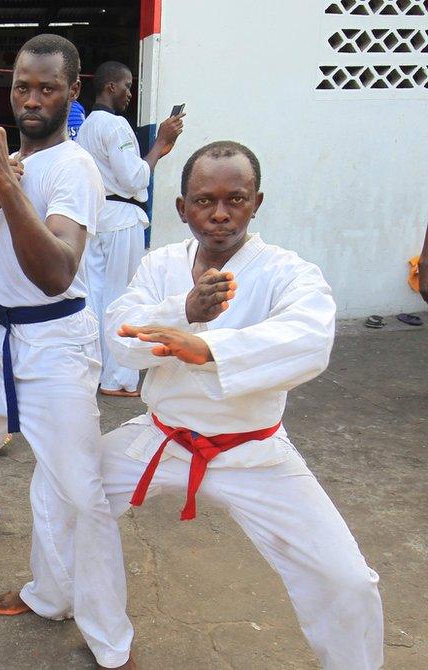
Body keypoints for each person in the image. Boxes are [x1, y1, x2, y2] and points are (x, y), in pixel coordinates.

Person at [96, 141, 382, 669]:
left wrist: (207, 348)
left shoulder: (288, 273)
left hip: (255, 452)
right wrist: (183, 310)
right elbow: (120, 336)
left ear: (257, 202)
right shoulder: (160, 266)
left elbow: (310, 339)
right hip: (163, 436)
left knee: (345, 579)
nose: (221, 213)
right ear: (181, 208)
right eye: (204, 200)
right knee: (66, 492)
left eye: (236, 199)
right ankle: (85, 618)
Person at [0, 34, 134, 670]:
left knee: (74, 488)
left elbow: (55, 271)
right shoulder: (8, 170)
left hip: (58, 339)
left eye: (47, 88)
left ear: (72, 93)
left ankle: (109, 639)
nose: (31, 99)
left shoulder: (75, 167)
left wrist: (3, 181)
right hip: (1, 335)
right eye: (22, 86)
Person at [76, 61, 184, 397]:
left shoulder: (87, 127)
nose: (129, 93)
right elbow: (133, 178)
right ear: (110, 86)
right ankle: (119, 378)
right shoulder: (116, 126)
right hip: (122, 219)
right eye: (126, 85)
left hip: (97, 218)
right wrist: (159, 146)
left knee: (95, 297)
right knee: (122, 296)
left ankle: (94, 372)